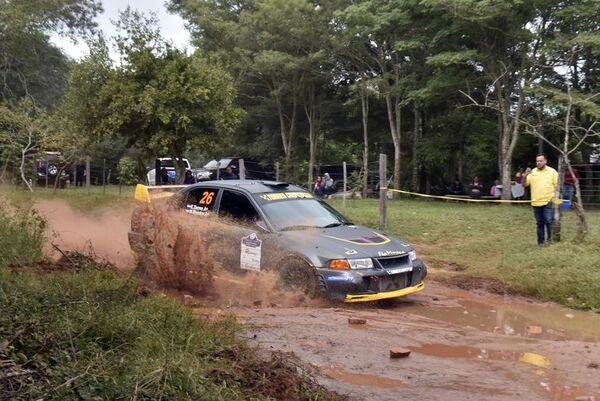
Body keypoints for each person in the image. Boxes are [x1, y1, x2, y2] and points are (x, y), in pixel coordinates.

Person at [523, 153, 558, 245]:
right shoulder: (533, 172)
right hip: (535, 202)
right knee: (540, 223)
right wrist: (525, 176)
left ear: (545, 161)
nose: (538, 163)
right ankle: (541, 243)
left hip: (548, 201)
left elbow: (558, 186)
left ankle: (550, 241)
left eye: (541, 161)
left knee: (548, 221)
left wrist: (556, 199)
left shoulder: (552, 172)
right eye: (537, 161)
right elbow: (524, 185)